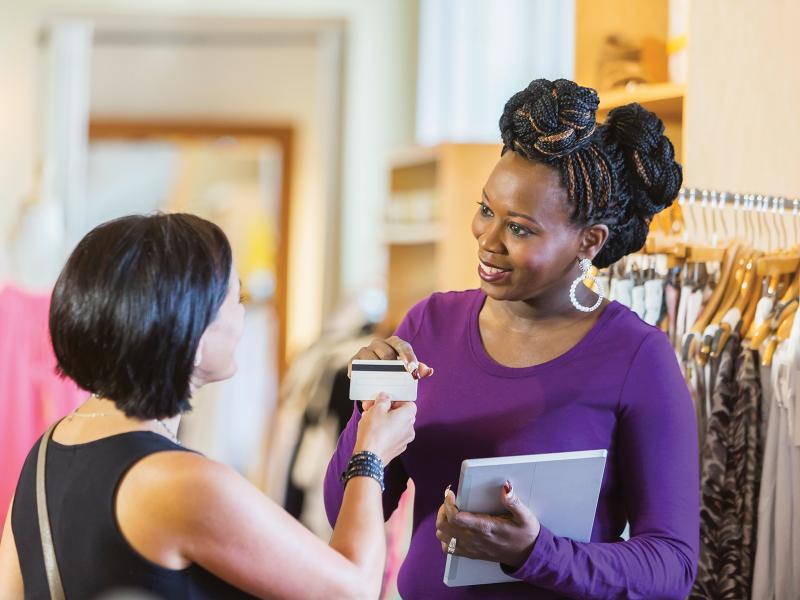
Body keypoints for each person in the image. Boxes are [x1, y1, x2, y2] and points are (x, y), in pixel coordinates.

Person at [324, 78, 699, 599]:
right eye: (485, 210)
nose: (487, 239)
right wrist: (367, 421)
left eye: (519, 229)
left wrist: (535, 553)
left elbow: (672, 566)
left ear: (589, 242)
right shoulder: (430, 324)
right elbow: (340, 510)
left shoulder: (638, 358)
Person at [0, 213, 416, 599]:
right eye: (234, 298)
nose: (241, 316)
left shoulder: (46, 451)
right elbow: (353, 588)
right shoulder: (185, 484)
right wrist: (371, 455)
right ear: (192, 331)